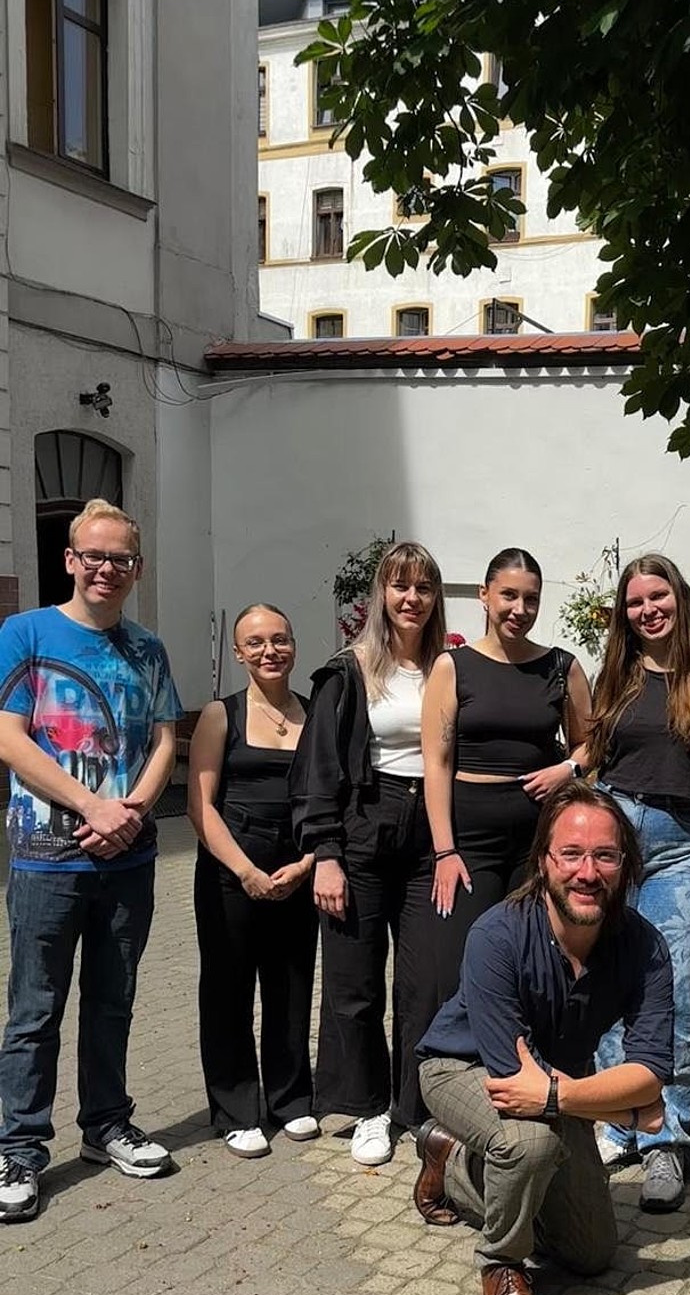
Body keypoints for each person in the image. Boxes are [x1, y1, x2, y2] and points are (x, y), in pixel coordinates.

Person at [411, 780, 673, 1295]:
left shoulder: (645, 947)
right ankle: (503, 1264)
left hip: (553, 1086)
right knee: (531, 1144)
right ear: (544, 861)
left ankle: (453, 1161)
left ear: (624, 865)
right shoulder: (498, 935)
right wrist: (622, 1111)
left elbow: (650, 1071)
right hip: (459, 1066)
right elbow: (516, 1085)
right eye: (571, 854)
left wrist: (568, 1098)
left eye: (604, 855)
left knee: (592, 1253)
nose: (587, 872)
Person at [0, 499, 181, 1223]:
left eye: (122, 559)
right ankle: (17, 1149)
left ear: (137, 569)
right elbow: (11, 739)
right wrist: (93, 805)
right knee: (34, 1009)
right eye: (94, 556)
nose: (108, 568)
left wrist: (129, 812)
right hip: (46, 858)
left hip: (127, 861)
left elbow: (167, 740)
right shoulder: (27, 633)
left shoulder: (148, 649)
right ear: (71, 560)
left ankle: (107, 1125)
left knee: (113, 1001)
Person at [584, 554, 690, 1212]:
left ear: (680, 597)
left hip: (686, 845)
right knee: (610, 982)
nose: (649, 609)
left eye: (659, 595)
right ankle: (618, 1121)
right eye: (637, 600)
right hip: (616, 838)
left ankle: (666, 1138)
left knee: (669, 990)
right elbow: (593, 755)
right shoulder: (614, 674)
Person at [290, 541, 449, 1166]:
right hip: (363, 829)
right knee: (354, 983)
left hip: (429, 836)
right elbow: (319, 767)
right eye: (400, 586)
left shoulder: (449, 666)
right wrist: (325, 853)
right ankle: (367, 1109)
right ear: (382, 595)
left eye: (424, 588)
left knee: (425, 982)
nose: (412, 599)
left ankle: (415, 1107)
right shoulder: (350, 670)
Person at [188, 604, 319, 1159]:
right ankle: (236, 1108)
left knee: (291, 987)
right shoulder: (222, 715)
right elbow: (200, 805)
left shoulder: (316, 714)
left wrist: (309, 863)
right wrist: (244, 870)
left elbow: (329, 799)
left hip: (296, 868)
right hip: (231, 870)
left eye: (280, 640)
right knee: (228, 989)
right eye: (257, 642)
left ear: (293, 645)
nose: (270, 651)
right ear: (238, 653)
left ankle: (290, 1100)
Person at [420, 547, 590, 972]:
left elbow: (592, 745)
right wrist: (445, 852)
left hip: (538, 840)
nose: (520, 609)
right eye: (508, 596)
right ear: (484, 595)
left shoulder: (561, 667)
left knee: (532, 962)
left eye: (530, 599)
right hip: (469, 841)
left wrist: (567, 769)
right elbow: (436, 764)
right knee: (460, 965)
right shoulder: (453, 666)